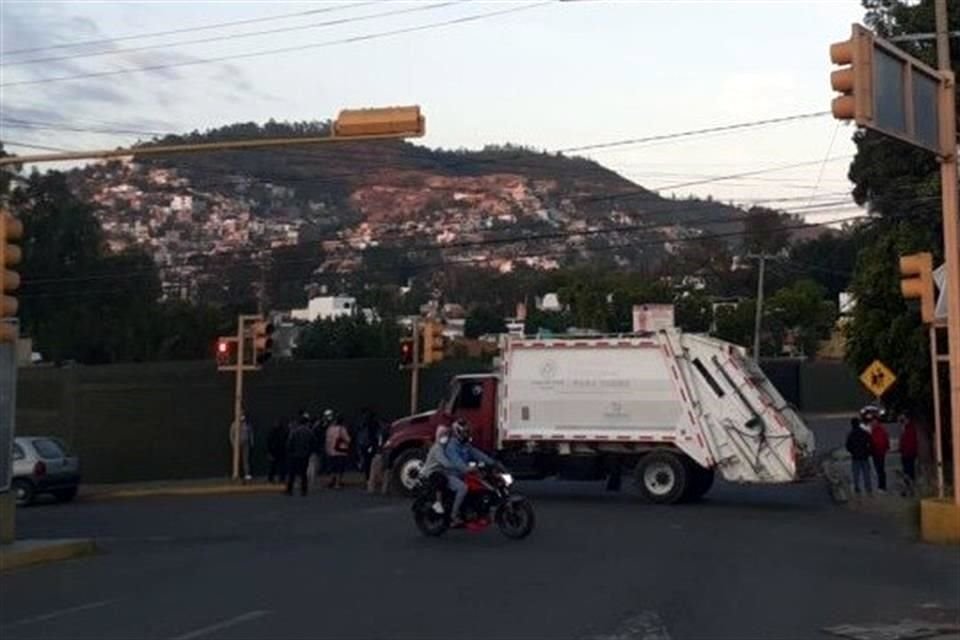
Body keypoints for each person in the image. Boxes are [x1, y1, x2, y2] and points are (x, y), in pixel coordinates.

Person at [444, 419, 499, 526]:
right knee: (463, 488)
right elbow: (459, 464)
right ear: (457, 432)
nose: (467, 434)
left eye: (467, 432)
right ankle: (453, 516)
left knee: (482, 483)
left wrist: (493, 462)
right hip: (450, 475)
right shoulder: (451, 446)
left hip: (463, 474)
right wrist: (472, 468)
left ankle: (477, 510)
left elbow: (477, 454)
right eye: (464, 432)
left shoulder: (465, 445)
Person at [420, 426, 453, 510]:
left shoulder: (444, 447)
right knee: (441, 480)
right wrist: (457, 466)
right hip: (431, 471)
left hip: (439, 470)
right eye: (444, 435)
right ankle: (438, 503)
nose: (447, 437)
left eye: (448, 435)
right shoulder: (438, 448)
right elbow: (446, 463)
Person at [286, 414, 315, 496]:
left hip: (295, 455)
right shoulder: (309, 432)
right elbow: (313, 443)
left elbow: (289, 443)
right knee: (303, 473)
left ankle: (289, 490)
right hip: (305, 455)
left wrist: (291, 451)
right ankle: (304, 490)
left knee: (292, 473)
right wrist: (309, 452)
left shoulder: (294, 431)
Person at [845, 416, 873, 496]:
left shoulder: (851, 434)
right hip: (864, 455)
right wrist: (868, 452)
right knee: (866, 473)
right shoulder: (864, 433)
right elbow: (870, 443)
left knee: (856, 474)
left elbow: (848, 446)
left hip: (855, 456)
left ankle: (857, 487)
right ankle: (868, 488)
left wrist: (852, 451)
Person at [355, 408, 384, 480]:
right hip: (365, 444)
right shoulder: (363, 424)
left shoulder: (373, 424)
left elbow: (378, 435)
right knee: (367, 461)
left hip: (369, 444)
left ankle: (369, 477)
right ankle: (368, 477)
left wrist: (378, 445)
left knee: (368, 462)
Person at [325, 413, 351, 489]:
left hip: (331, 451)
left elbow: (327, 441)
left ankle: (331, 481)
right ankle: (337, 483)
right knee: (339, 468)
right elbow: (348, 439)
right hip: (340, 451)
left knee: (333, 468)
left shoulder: (329, 429)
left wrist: (327, 450)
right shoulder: (342, 429)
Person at [869, 409, 890, 493]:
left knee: (880, 469)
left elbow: (884, 440)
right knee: (878, 469)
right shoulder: (873, 430)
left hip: (880, 452)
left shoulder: (880, 430)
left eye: (874, 421)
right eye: (872, 422)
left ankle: (882, 486)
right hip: (875, 452)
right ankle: (881, 486)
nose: (872, 423)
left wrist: (885, 448)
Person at [229, 412, 255, 482]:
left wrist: (251, 443)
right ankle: (237, 475)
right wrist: (233, 444)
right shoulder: (234, 424)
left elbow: (250, 434)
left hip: (246, 444)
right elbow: (231, 434)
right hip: (237, 444)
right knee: (237, 460)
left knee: (246, 460)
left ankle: (247, 475)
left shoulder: (247, 425)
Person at [898, 412, 919, 493]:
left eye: (903, 419)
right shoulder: (905, 428)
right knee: (907, 471)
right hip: (906, 453)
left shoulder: (909, 429)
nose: (902, 421)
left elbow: (909, 441)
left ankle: (910, 488)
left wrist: (903, 449)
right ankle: (908, 487)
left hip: (909, 453)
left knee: (909, 471)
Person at [266, 418, 289, 484]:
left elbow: (285, 441)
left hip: (280, 451)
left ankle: (281, 479)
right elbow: (269, 442)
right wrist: (269, 452)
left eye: (277, 423)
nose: (276, 424)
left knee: (281, 467)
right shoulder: (272, 432)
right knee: (273, 467)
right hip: (275, 452)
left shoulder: (282, 431)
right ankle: (271, 479)